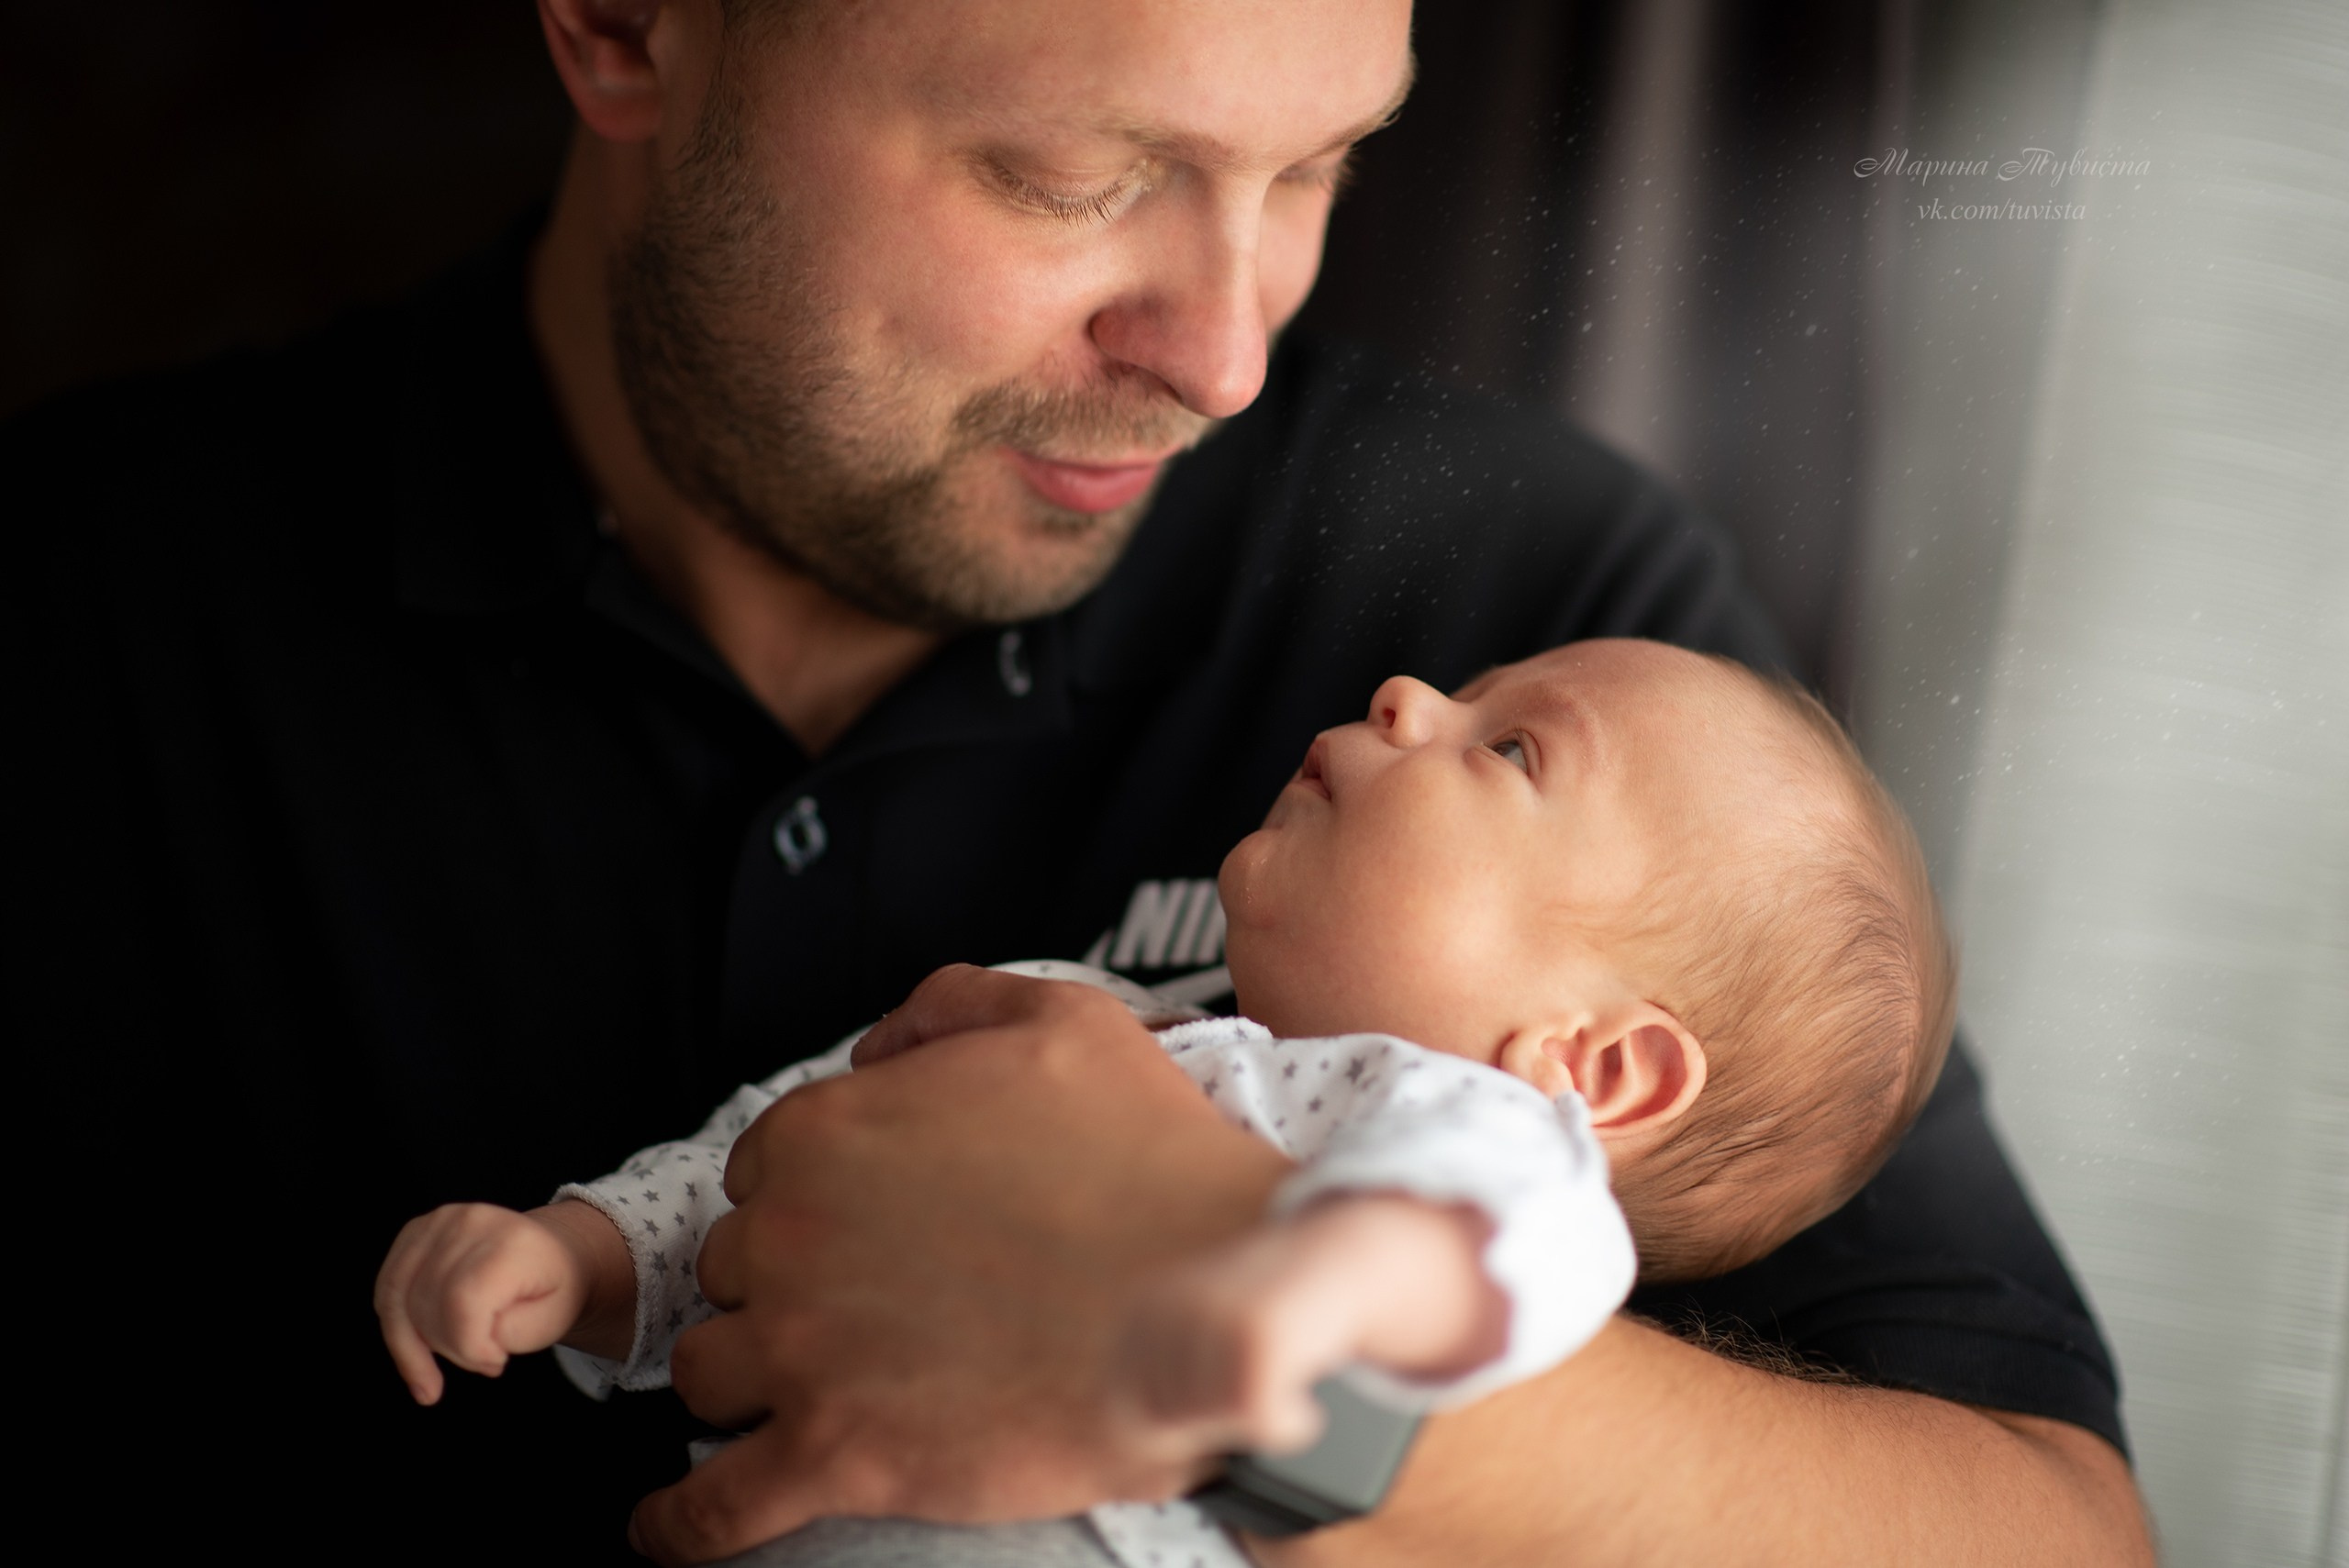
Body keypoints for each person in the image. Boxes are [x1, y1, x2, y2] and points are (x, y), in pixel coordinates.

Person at [10, 0, 2151, 1563]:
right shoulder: (89, 623)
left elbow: (2047, 1534)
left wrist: (1201, 1340)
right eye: (1078, 175)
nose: (1221, 356)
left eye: (1317, 167)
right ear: (627, 33)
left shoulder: (1546, 610)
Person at [372, 639, 1960, 1568]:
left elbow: (1476, 1252)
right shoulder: (1097, 1015)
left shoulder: (1479, 1133)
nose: (1411, 694)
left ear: (1597, 1065)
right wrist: (584, 1255)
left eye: (1515, 750)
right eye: (1471, 695)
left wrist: (1287, 1276)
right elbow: (787, 1148)